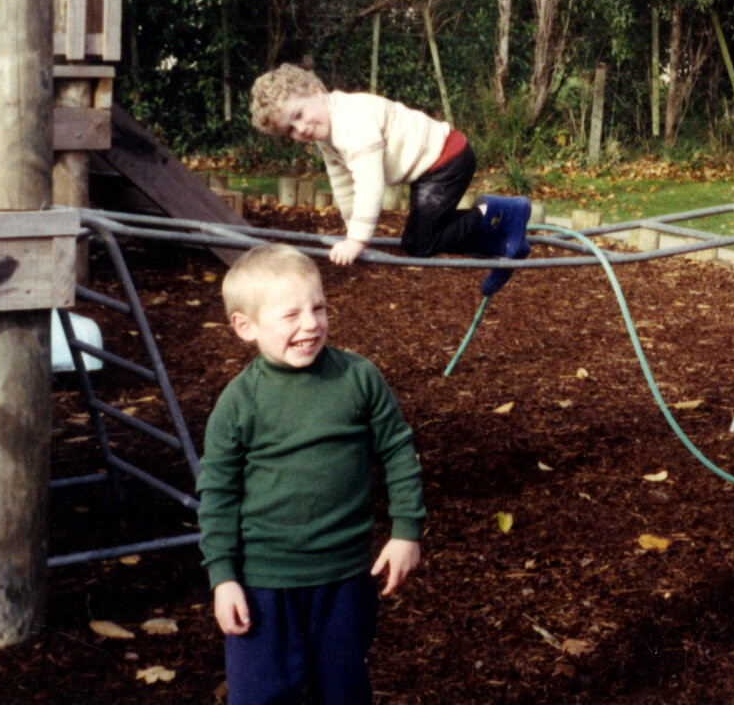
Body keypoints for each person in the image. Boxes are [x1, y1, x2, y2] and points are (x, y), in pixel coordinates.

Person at [199, 244, 424, 705]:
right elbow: (217, 493)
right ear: (245, 326)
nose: (311, 324)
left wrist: (406, 530)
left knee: (342, 691)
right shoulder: (239, 403)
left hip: (345, 575)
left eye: (318, 308)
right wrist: (223, 577)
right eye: (291, 315)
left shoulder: (358, 378)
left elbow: (398, 450)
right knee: (261, 694)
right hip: (264, 582)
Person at [250, 64, 531, 294]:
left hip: (447, 158)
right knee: (422, 239)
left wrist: (357, 240)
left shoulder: (352, 119)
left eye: (299, 114)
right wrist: (351, 230)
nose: (301, 129)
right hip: (429, 168)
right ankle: (503, 245)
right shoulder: (327, 136)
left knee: (419, 244)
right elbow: (343, 183)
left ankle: (499, 211)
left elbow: (369, 183)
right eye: (290, 130)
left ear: (316, 92)